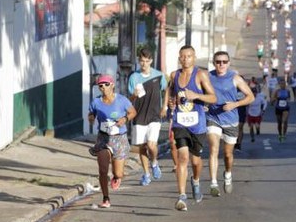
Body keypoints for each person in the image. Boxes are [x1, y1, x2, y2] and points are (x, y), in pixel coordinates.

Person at [166, 45, 217, 211]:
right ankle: (182, 196)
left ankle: (195, 180)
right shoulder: (175, 75)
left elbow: (213, 97)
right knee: (182, 157)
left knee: (195, 162)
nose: (185, 59)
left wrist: (196, 96)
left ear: (194, 58)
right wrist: (170, 102)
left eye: (189, 56)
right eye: (183, 56)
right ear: (179, 58)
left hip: (197, 125)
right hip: (180, 122)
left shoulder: (200, 75)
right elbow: (171, 92)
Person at [206, 51, 254, 197]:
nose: (221, 64)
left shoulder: (235, 78)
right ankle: (213, 182)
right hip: (213, 117)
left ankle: (227, 174)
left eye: (224, 62)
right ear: (214, 63)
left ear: (229, 63)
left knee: (227, 154)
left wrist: (235, 104)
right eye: (218, 62)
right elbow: (201, 92)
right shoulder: (208, 76)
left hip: (231, 120)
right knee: (214, 149)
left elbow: (250, 97)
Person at [88, 74, 137, 208]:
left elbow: (133, 112)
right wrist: (91, 118)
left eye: (106, 84)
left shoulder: (122, 100)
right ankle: (106, 198)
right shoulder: (96, 102)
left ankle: (117, 177)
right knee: (103, 170)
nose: (103, 87)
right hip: (103, 138)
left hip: (119, 138)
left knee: (118, 173)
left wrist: (125, 119)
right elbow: (91, 113)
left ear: (112, 85)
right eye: (100, 85)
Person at [128, 48, 167, 186]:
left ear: (150, 61)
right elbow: (130, 98)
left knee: (151, 144)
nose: (144, 64)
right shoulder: (134, 77)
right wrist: (135, 94)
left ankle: (154, 163)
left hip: (155, 114)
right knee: (142, 147)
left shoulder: (159, 75)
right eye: (141, 61)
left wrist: (165, 107)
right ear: (139, 61)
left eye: (146, 61)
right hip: (139, 116)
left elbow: (166, 90)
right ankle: (146, 174)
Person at [272, 78, 290, 142]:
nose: (283, 85)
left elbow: (288, 99)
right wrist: (276, 98)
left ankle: (284, 135)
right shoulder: (277, 91)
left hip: (285, 108)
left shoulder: (287, 91)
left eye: (284, 84)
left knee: (284, 121)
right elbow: (272, 100)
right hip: (278, 108)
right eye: (282, 84)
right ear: (279, 85)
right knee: (279, 123)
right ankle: (280, 134)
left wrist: (287, 100)